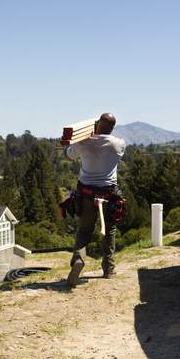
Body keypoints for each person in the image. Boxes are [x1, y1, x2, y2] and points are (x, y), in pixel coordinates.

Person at [63, 113, 126, 288]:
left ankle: (78, 259)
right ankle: (109, 269)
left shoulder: (83, 143)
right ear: (112, 127)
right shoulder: (118, 144)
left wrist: (83, 138)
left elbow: (68, 155)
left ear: (97, 124)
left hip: (87, 194)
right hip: (108, 194)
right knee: (110, 230)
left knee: (84, 231)